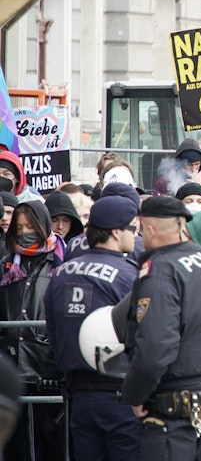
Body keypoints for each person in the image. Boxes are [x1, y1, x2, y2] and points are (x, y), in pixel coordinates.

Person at [121, 196, 201, 460]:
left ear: (151, 229)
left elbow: (155, 349)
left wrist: (135, 395)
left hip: (174, 405)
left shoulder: (159, 271)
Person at [44, 195, 141, 460]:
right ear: (116, 231)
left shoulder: (61, 273)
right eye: (133, 228)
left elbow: (52, 331)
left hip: (79, 396)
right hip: (121, 395)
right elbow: (141, 335)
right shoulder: (129, 276)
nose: (136, 235)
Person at [0, 201, 65, 460]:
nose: (25, 232)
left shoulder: (60, 261)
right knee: (17, 445)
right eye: (19, 227)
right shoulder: (6, 265)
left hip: (46, 366)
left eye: (31, 226)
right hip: (13, 362)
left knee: (50, 440)